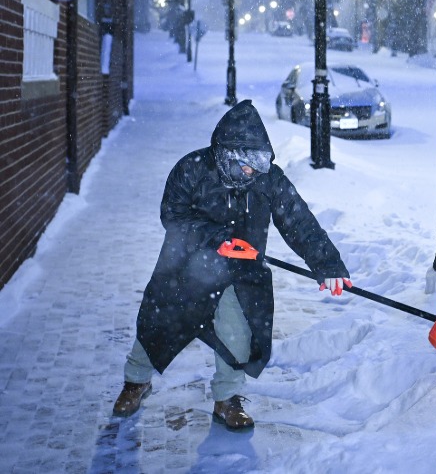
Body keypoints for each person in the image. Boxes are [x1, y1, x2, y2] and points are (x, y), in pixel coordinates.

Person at [112, 100, 352, 430]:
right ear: (227, 155)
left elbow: (300, 222)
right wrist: (216, 239)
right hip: (186, 266)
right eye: (246, 165)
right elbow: (172, 216)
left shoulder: (268, 179)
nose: (252, 172)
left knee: (237, 331)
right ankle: (135, 381)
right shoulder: (192, 169)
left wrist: (328, 264)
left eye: (258, 164)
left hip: (241, 271)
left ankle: (227, 398)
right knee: (158, 321)